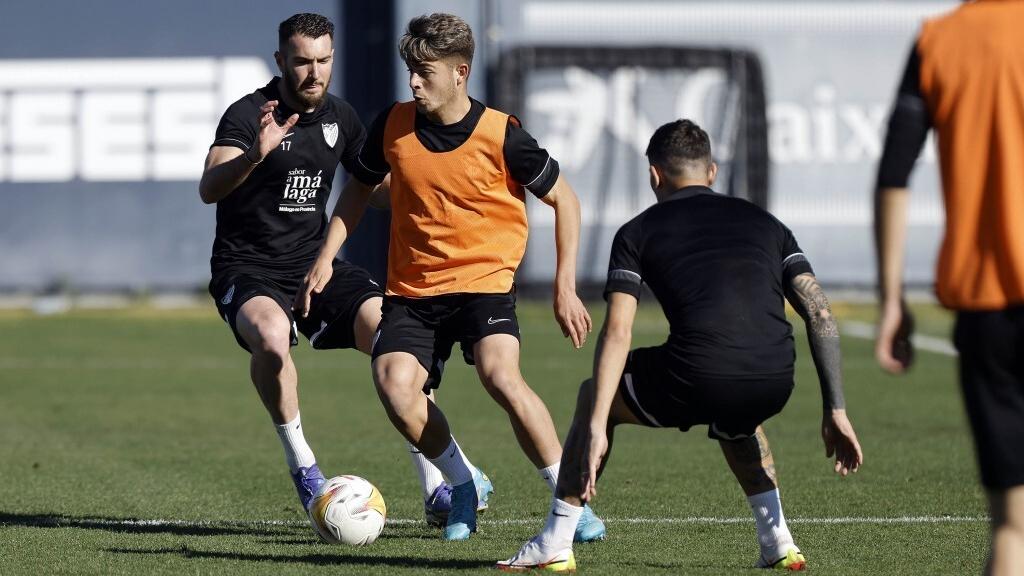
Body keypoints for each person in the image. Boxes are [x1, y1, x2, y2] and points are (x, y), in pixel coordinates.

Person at [498, 119, 864, 572]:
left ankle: (555, 540)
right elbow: (820, 312)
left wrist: (596, 422)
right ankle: (778, 541)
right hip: (775, 377)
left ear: (654, 175)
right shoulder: (769, 223)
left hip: (699, 373)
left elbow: (617, 332)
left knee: (597, 393)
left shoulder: (636, 232)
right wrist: (836, 409)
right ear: (711, 172)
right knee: (737, 416)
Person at [296, 12, 606, 542]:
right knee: (394, 385)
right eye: (410, 71)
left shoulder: (501, 134)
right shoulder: (392, 124)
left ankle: (569, 498)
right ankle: (462, 483)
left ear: (460, 72)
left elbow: (566, 200)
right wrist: (327, 254)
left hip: (485, 281)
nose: (414, 82)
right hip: (414, 291)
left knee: (500, 375)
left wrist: (564, 285)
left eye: (426, 72)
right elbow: (358, 187)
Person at [198, 12, 489, 531]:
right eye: (303, 62)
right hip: (249, 270)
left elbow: (369, 188)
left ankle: (437, 484)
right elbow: (210, 187)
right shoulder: (248, 116)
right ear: (280, 61)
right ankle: (304, 467)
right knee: (270, 334)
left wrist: (424, 187)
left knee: (395, 338)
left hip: (317, 264)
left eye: (324, 61)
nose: (315, 73)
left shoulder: (342, 118)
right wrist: (254, 156)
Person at [875, 2, 1024, 573]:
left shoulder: (941, 40)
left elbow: (894, 172)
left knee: (1012, 526)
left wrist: (892, 298)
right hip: (986, 303)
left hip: (989, 309)